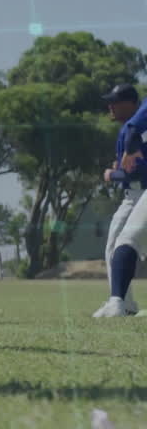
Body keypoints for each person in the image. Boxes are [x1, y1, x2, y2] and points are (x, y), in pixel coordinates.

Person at [93, 84, 147, 318]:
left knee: (124, 241)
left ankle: (120, 302)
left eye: (115, 101)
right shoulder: (127, 128)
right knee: (115, 243)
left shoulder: (136, 126)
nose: (110, 106)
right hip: (132, 195)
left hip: (140, 192)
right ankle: (124, 302)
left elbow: (138, 170)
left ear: (131, 104)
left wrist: (112, 175)